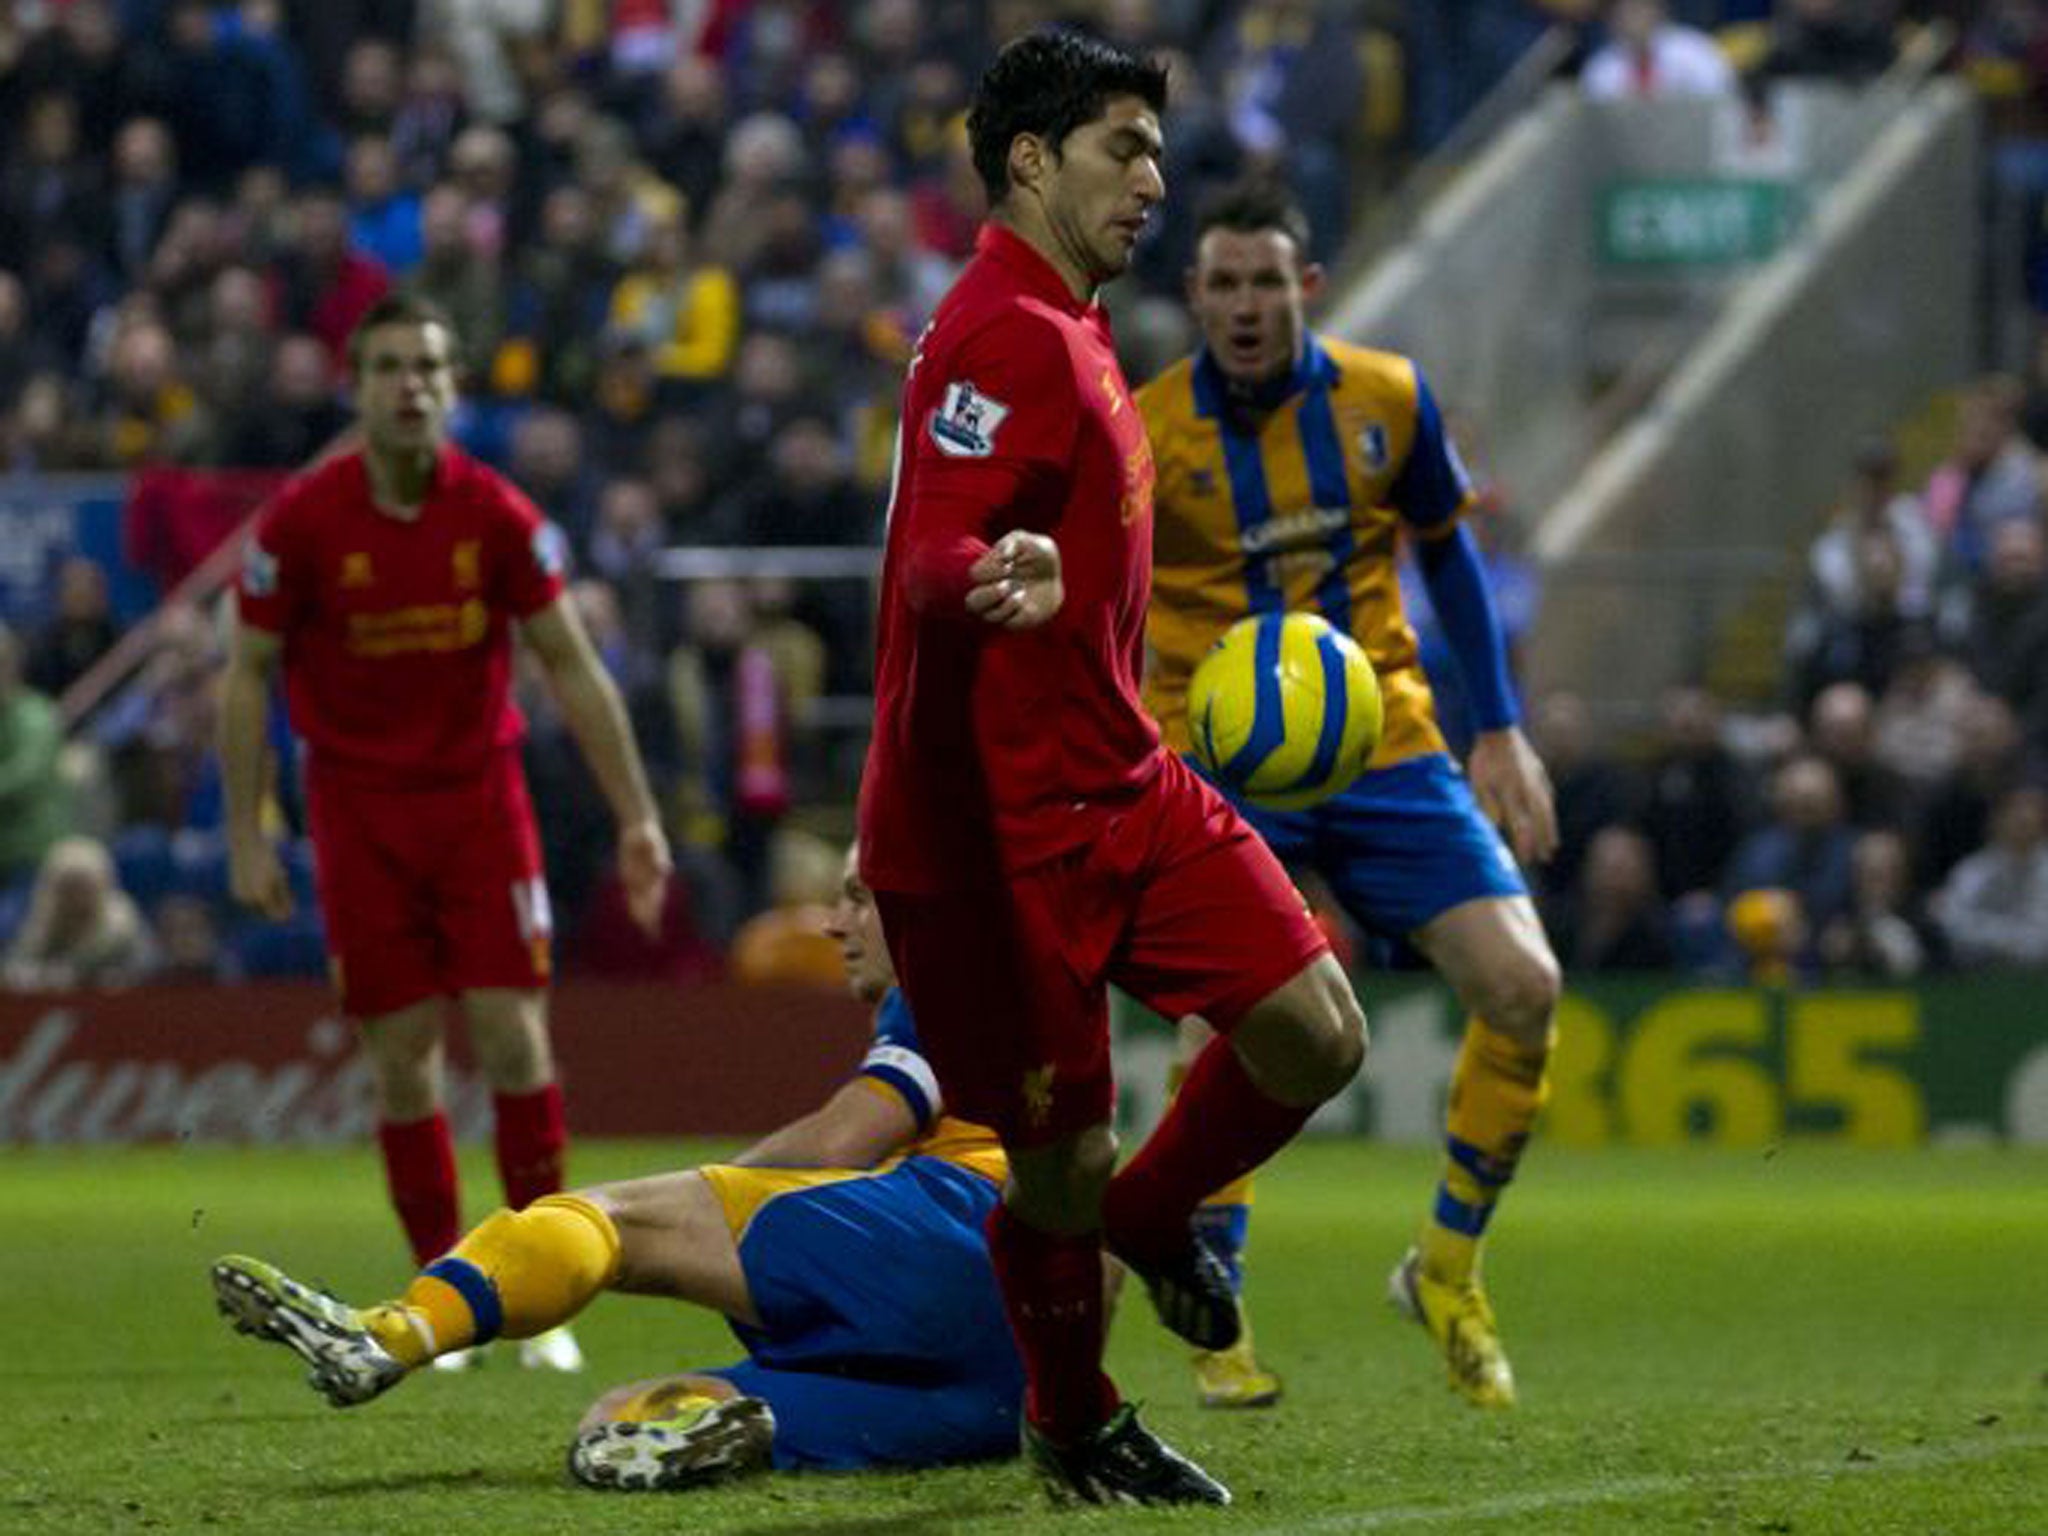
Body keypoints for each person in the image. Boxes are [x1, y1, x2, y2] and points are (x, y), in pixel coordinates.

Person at [859, 32, 1365, 1508]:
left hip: (1122, 782)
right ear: (1032, 158)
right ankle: (1073, 1419)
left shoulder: (1068, 322)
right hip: (987, 836)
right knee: (1056, 1163)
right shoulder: (1000, 332)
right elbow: (932, 547)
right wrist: (989, 572)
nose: (1153, 179)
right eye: (1123, 148)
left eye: (1154, 149)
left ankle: (1158, 1221)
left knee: (1316, 1031)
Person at [211, 845, 1026, 1487]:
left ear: (919, 904)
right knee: (617, 1422)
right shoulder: (1029, 991)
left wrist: (702, 1206)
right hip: (1006, 1365)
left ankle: (390, 1333)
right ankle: (744, 1429)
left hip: (950, 1236)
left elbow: (844, 1140)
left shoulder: (944, 968)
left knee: (616, 1219)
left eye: (858, 895)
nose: (835, 922)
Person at [1138, 179, 1561, 1411]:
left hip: (1383, 742)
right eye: (1222, 283)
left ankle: (1444, 1268)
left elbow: (1450, 552)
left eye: (1266, 281)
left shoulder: (1387, 396)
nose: (1246, 305)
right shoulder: (1148, 430)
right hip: (1217, 765)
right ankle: (1213, 1303)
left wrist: (1499, 731)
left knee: (1523, 987)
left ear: (1303, 289)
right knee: (1225, 1020)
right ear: (1195, 297)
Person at [218, 293, 673, 1376]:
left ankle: (535, 1286)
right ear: (357, 388)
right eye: (388, 368)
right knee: (402, 1064)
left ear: (453, 389)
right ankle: (442, 1290)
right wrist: (248, 829)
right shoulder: (302, 522)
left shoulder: (498, 516)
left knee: (516, 1042)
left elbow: (571, 665)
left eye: (428, 368)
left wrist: (639, 816)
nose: (410, 387)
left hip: (479, 804)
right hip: (357, 813)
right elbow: (246, 674)